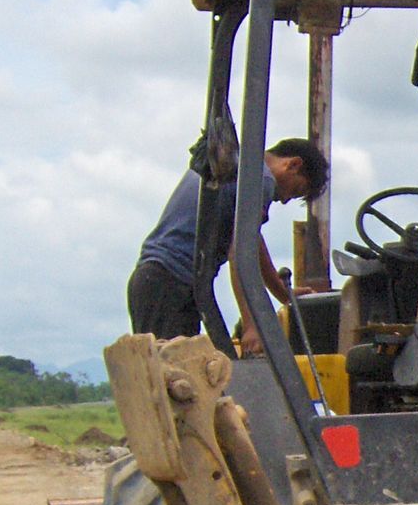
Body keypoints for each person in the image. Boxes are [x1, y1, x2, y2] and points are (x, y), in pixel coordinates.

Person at [128, 138, 328, 349]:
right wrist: (251, 325)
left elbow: (253, 241)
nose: (285, 199)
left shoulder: (236, 165)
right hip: (171, 284)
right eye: (295, 191)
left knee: (174, 372)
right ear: (293, 164)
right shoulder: (260, 179)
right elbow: (241, 251)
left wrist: (281, 292)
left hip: (157, 281)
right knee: (173, 374)